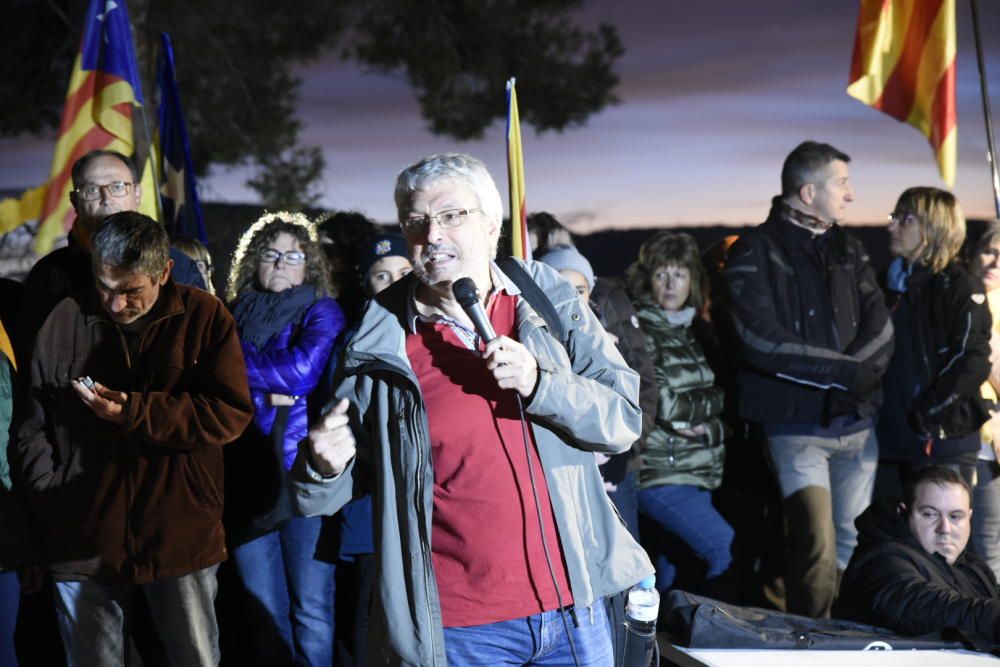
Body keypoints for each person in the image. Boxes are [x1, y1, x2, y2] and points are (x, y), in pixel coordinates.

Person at [290, 152, 653, 665]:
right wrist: (324, 467)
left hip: (574, 610)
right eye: (416, 221)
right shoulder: (380, 338)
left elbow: (621, 421)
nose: (432, 234)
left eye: (452, 215)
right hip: (460, 629)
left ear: (491, 227)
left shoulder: (545, 296)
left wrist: (539, 383)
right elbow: (340, 484)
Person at [14, 211, 253, 666]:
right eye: (104, 287)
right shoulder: (64, 319)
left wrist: (136, 412)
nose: (115, 304)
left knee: (193, 658)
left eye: (131, 292)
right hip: (82, 538)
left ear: (164, 272)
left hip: (180, 534)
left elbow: (229, 414)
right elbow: (33, 426)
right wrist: (52, 497)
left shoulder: (204, 316)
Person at [723, 140, 894, 617]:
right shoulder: (755, 251)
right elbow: (758, 341)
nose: (852, 195)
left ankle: (843, 641)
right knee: (815, 546)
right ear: (807, 190)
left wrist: (855, 379)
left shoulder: (848, 247)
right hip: (794, 429)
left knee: (850, 547)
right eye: (842, 183)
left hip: (857, 428)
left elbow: (881, 323)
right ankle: (809, 646)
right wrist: (845, 373)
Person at [223, 212, 344, 666]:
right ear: (255, 261)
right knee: (263, 612)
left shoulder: (322, 309)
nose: (280, 264)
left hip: (304, 475)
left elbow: (302, 371)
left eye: (293, 256)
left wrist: (245, 367)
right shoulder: (231, 311)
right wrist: (271, 385)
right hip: (245, 474)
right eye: (270, 254)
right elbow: (218, 373)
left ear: (308, 265)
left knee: (312, 609)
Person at [625, 231, 735, 599]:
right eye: (661, 274)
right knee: (723, 548)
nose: (671, 283)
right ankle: (718, 642)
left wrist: (710, 422)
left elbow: (725, 398)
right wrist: (713, 409)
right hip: (660, 471)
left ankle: (664, 652)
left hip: (698, 470)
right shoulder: (640, 330)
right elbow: (666, 404)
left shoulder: (695, 332)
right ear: (647, 280)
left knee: (672, 569)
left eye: (680, 274)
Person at [876, 187, 991, 498]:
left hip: (942, 442)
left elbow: (972, 358)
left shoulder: (960, 286)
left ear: (934, 227)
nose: (892, 226)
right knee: (886, 543)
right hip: (887, 442)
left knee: (941, 541)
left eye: (906, 219)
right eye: (894, 217)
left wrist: (927, 415)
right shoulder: (883, 285)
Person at [537, 244, 650, 540]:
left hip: (614, 465)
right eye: (560, 288)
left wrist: (628, 448)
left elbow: (640, 392)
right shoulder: (535, 340)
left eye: (579, 290)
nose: (570, 300)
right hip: (565, 470)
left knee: (626, 547)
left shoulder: (610, 342)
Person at [834, 465, 1000, 641]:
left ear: (969, 517)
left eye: (955, 516)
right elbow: (920, 604)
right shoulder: (880, 561)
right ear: (904, 512)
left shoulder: (972, 566)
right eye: (930, 514)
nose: (945, 528)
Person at [967, 220, 1000, 579]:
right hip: (964, 440)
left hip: (989, 446)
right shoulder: (961, 294)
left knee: (989, 545)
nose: (994, 263)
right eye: (989, 252)